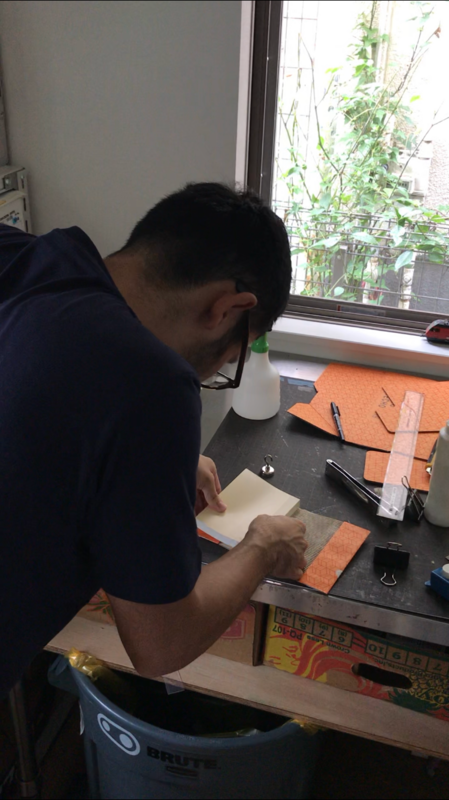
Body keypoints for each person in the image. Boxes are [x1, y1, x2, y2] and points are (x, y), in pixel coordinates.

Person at [0, 182, 307, 697]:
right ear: (226, 308)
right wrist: (263, 545)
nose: (212, 372)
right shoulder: (154, 384)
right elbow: (161, 645)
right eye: (228, 360)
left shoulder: (34, 256)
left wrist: (141, 458)